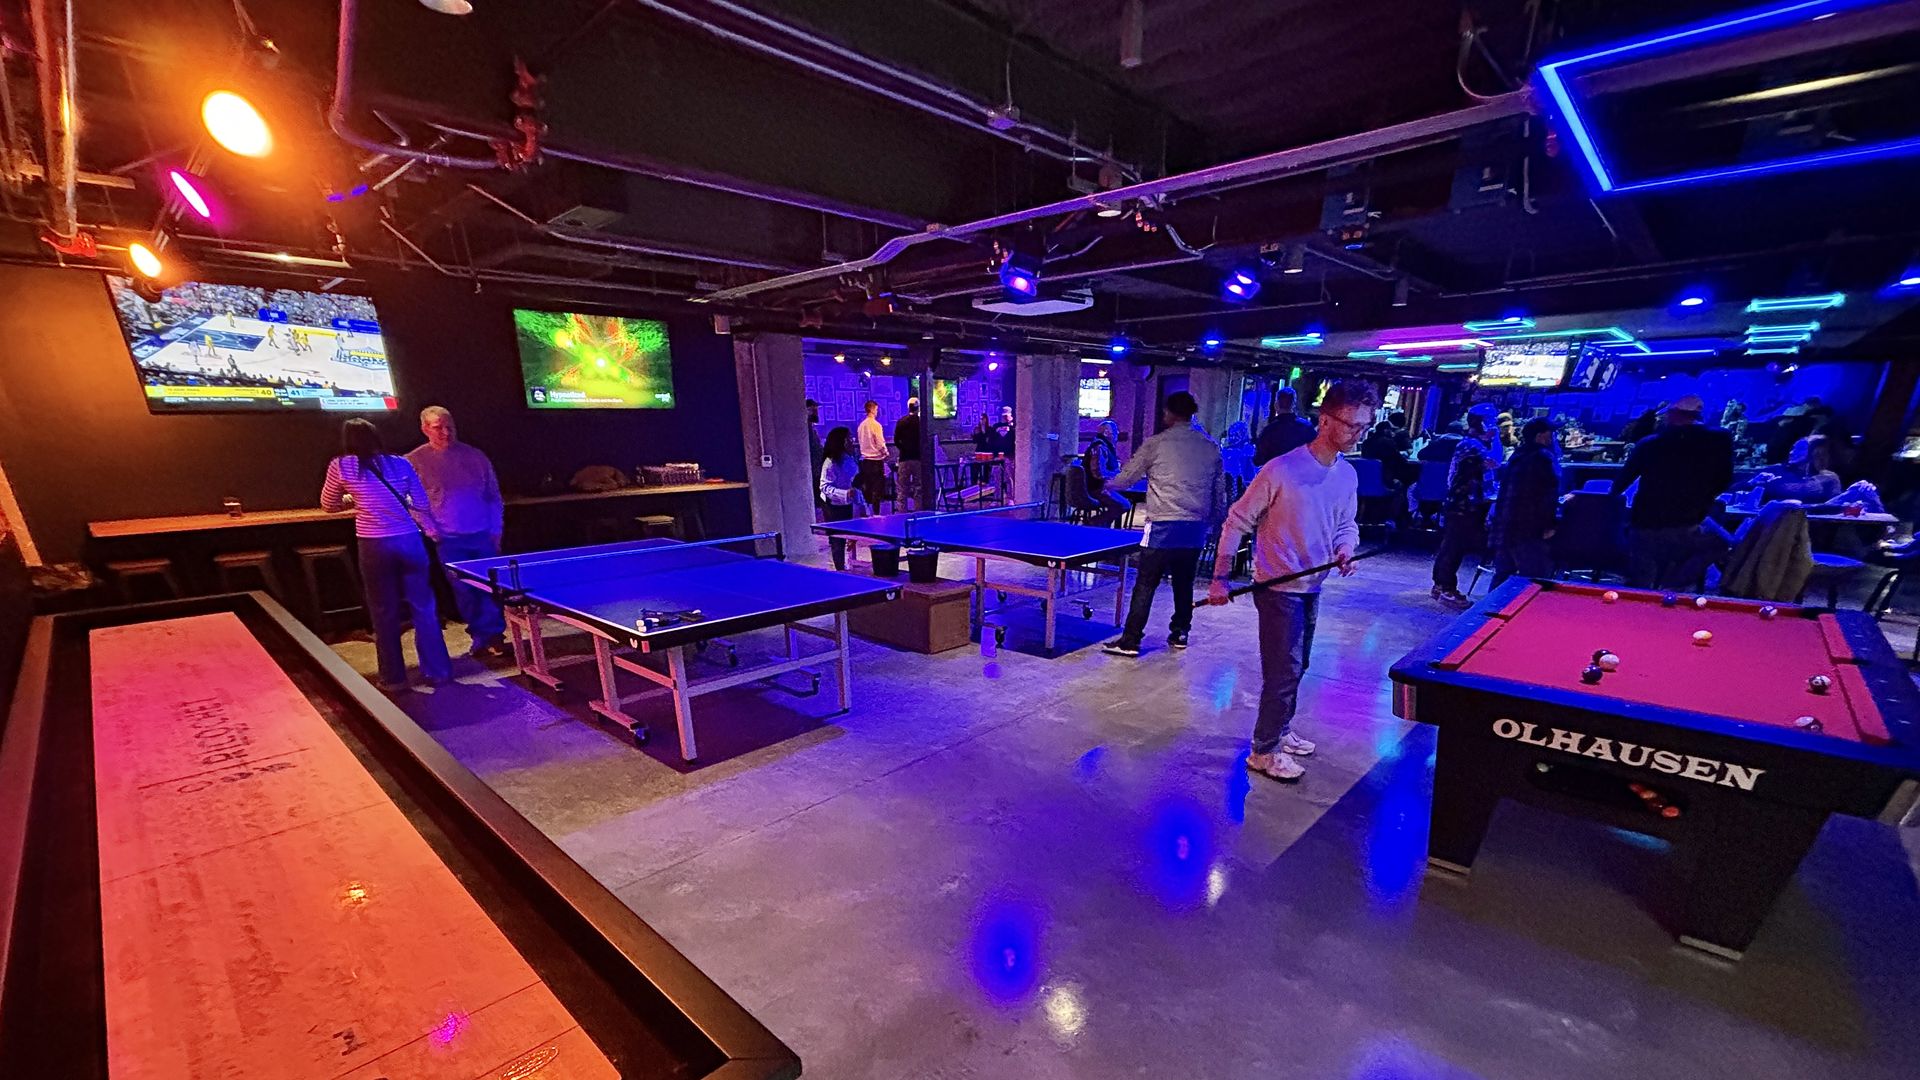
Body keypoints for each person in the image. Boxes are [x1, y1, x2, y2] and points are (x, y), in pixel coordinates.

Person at [1210, 380, 1377, 783]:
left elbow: (1346, 524)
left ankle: (1281, 729)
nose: (1358, 434)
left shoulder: (1347, 475)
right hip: (1277, 587)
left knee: (1298, 666)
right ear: (1325, 420)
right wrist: (1219, 578)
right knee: (1282, 672)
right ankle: (1264, 750)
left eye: (1364, 427)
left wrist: (1345, 549)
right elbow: (1236, 521)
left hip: (1311, 585)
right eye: (1352, 425)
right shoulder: (1282, 470)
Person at [320, 418, 451, 691]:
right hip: (409, 540)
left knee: (383, 611)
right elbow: (422, 503)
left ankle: (393, 679)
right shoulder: (400, 463)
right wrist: (399, 501)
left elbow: (328, 505)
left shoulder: (341, 466)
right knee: (424, 606)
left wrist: (353, 500)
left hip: (374, 544)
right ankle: (438, 671)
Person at [1102, 392, 1227, 657]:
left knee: (1146, 583)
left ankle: (1131, 641)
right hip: (1195, 528)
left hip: (1162, 525)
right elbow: (1219, 492)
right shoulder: (1211, 446)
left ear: (1169, 413)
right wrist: (1216, 524)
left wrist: (1106, 483)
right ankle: (1180, 632)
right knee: (1184, 582)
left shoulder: (1156, 444)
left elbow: (1127, 478)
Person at [405, 406, 507, 660]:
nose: (446, 432)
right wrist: (430, 529)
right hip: (448, 539)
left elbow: (493, 496)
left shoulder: (475, 456)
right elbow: (410, 501)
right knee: (464, 592)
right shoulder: (414, 461)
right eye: (438, 427)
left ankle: (494, 637)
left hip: (482, 534)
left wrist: (496, 529)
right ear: (425, 429)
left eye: (449, 426)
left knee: (490, 588)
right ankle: (481, 637)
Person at [1613, 395, 1735, 590]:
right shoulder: (1719, 440)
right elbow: (1724, 480)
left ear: (1672, 414)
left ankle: (1644, 593)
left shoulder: (1649, 443)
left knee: (1642, 575)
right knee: (1719, 544)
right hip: (1688, 522)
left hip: (1644, 524)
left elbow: (1620, 484)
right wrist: (1702, 500)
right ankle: (1672, 587)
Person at [1430, 408, 1499, 607]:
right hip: (1463, 503)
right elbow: (1495, 461)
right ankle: (1446, 588)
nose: (1494, 424)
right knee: (1454, 546)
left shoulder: (1472, 444)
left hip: (1464, 502)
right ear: (1481, 422)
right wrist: (1496, 438)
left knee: (1452, 544)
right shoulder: (1471, 445)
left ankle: (1441, 585)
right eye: (1491, 420)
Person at [1490, 418, 1560, 586]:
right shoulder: (1544, 458)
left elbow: (1505, 491)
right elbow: (1547, 494)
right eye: (1551, 433)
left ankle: (1493, 603)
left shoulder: (1517, 455)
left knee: (1503, 574)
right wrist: (1550, 524)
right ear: (1541, 436)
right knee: (1535, 578)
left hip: (1507, 523)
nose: (1554, 437)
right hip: (1530, 525)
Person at [818, 426, 869, 570]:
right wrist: (845, 494)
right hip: (833, 506)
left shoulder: (849, 459)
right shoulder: (830, 463)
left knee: (851, 535)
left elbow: (855, 485)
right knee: (837, 539)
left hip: (849, 504)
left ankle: (850, 564)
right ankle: (839, 569)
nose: (852, 441)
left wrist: (863, 506)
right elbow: (824, 487)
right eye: (848, 438)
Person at [1759, 435, 1843, 505]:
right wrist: (1756, 483)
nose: (1792, 452)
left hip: (1812, 518)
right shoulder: (1774, 471)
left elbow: (1834, 506)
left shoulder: (1829, 478)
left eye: (1800, 449)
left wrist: (1847, 495)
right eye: (1793, 448)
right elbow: (1755, 499)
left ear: (1814, 453)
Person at [1081, 418, 1129, 527]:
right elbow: (1099, 473)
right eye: (1115, 431)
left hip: (1100, 487)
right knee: (1124, 505)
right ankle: (1095, 522)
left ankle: (1103, 525)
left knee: (1121, 502)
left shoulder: (1104, 446)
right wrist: (1117, 475)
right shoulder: (1100, 447)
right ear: (1106, 433)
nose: (1117, 433)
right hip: (1097, 489)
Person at [1254, 387, 1315, 467]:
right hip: (1301, 473)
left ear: (1276, 405)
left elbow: (1259, 460)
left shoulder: (1269, 431)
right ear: (1294, 404)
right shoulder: (1307, 428)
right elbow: (1315, 454)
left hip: (1275, 473)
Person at [855, 399, 890, 511]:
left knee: (867, 487)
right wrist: (886, 453)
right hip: (876, 461)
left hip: (865, 461)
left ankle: (866, 511)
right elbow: (880, 443)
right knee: (877, 489)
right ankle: (876, 512)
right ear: (873, 409)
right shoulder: (876, 425)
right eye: (876, 409)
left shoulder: (861, 426)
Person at [894, 396, 923, 512]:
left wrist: (903, 449)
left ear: (908, 408)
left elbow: (896, 440)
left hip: (904, 458)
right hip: (918, 458)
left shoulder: (901, 422)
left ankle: (902, 513)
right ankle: (919, 512)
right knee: (918, 487)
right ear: (918, 408)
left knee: (902, 489)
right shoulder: (921, 422)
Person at [805, 398, 826, 502]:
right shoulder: (806, 427)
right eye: (814, 410)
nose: (816, 413)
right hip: (813, 466)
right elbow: (814, 447)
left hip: (816, 466)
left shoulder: (811, 427)